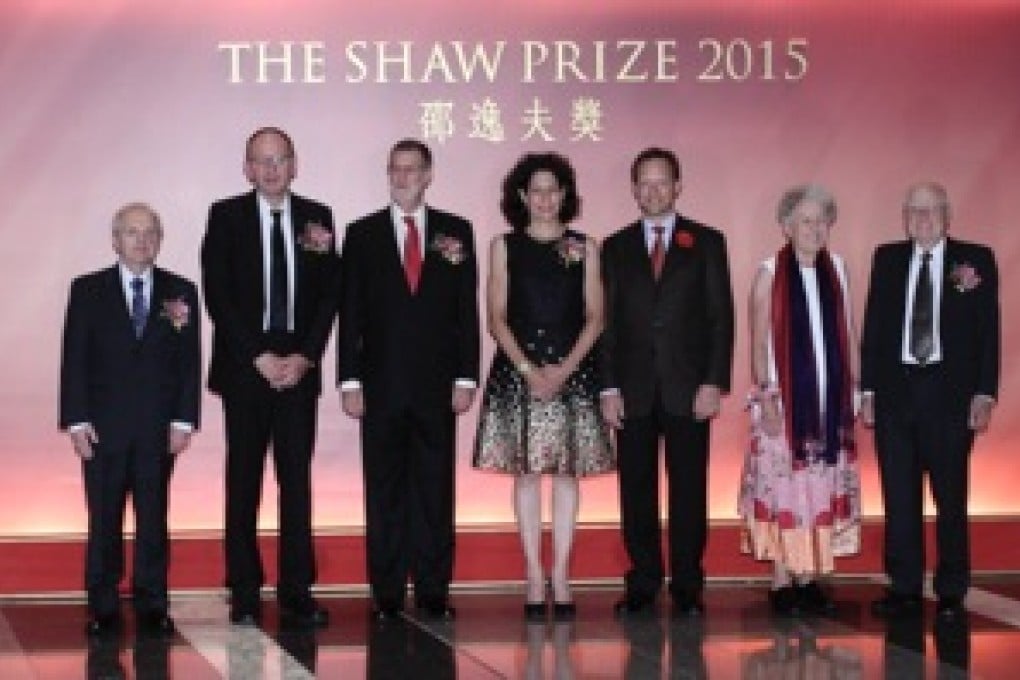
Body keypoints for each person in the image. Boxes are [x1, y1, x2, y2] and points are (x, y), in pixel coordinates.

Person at [201, 126, 339, 628]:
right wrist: (258, 355)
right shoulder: (226, 215)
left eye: (280, 158)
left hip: (299, 368)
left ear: (295, 164)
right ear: (247, 169)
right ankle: (242, 590)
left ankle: (296, 590)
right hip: (245, 367)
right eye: (262, 160)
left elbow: (329, 296)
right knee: (243, 479)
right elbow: (218, 294)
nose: (272, 168)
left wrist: (305, 356)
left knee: (295, 481)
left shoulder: (317, 218)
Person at [338, 138, 480, 621]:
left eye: (412, 169)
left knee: (435, 490)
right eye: (395, 169)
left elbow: (466, 309)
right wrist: (348, 382)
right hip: (379, 387)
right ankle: (387, 592)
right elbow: (350, 313)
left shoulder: (456, 232)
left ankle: (435, 589)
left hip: (438, 386)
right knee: (384, 491)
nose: (403, 177)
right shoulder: (361, 234)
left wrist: (466, 377)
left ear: (429, 174)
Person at [473, 153, 614, 620]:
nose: (546, 199)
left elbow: (596, 316)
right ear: (521, 196)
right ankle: (534, 574)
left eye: (554, 190)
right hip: (518, 373)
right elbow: (495, 317)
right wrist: (531, 371)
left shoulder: (584, 246)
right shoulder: (502, 246)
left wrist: (565, 369)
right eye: (536, 191)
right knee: (528, 474)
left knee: (568, 474)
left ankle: (562, 576)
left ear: (565, 195)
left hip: (575, 373)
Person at [601, 147, 735, 617]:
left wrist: (714, 382)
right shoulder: (614, 247)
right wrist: (608, 387)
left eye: (662, 182)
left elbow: (721, 318)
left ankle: (687, 583)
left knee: (689, 489)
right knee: (635, 490)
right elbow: (607, 324)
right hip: (632, 390)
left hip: (688, 387)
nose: (653, 191)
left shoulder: (706, 242)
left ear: (679, 187)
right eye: (644, 183)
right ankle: (642, 580)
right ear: (633, 188)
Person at [59, 203, 200, 636]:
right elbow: (74, 359)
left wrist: (183, 420)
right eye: (132, 232)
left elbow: (188, 361)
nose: (142, 240)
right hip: (103, 431)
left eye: (150, 232)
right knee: (103, 520)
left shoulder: (180, 291)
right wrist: (76, 421)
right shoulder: (88, 290)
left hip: (158, 430)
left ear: (160, 239)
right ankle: (102, 606)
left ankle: (153, 604)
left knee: (154, 518)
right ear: (115, 239)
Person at [862, 181, 1000, 620]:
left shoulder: (974, 260)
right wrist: (867, 390)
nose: (923, 219)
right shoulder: (887, 258)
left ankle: (952, 590)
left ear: (948, 213)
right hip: (896, 394)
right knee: (899, 497)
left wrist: (985, 392)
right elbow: (875, 326)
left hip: (950, 396)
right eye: (915, 211)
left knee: (951, 497)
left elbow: (988, 332)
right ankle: (903, 587)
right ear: (904, 217)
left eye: (932, 210)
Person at [737, 185, 861, 617]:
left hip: (831, 405)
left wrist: (857, 391)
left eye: (822, 220)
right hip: (783, 405)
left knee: (819, 488)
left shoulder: (840, 270)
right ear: (786, 226)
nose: (814, 228)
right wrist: (767, 397)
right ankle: (782, 579)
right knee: (784, 490)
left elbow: (849, 336)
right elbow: (757, 345)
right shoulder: (769, 273)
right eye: (805, 221)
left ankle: (810, 576)